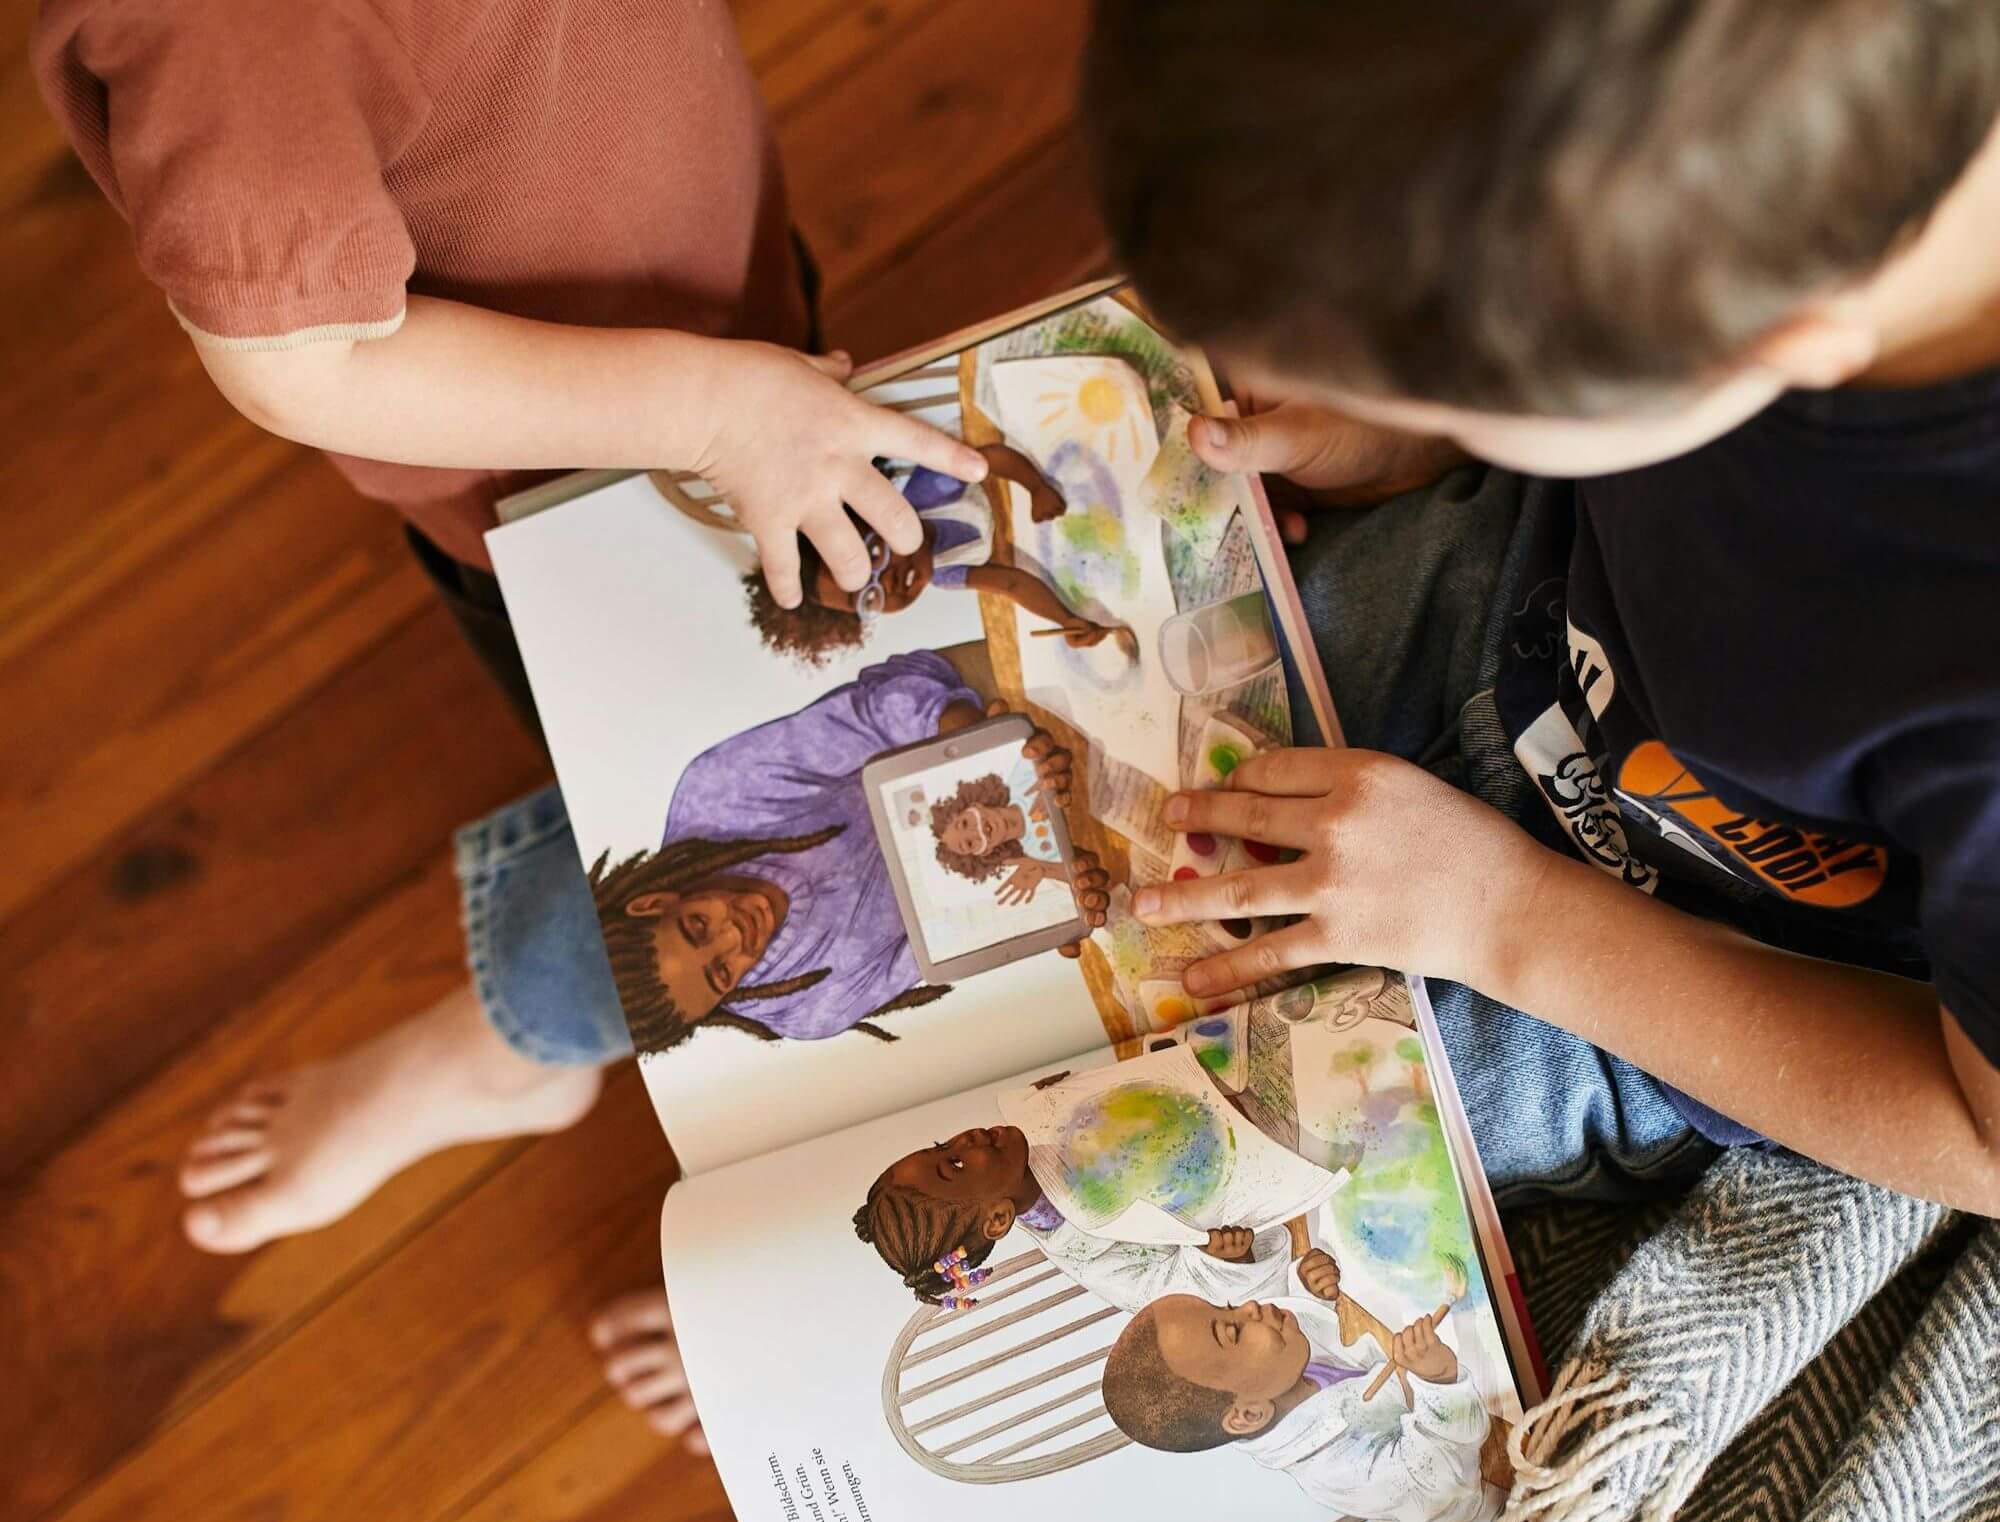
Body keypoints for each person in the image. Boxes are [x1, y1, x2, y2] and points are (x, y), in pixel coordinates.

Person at [33, 0, 991, 1432]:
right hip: (580, 479)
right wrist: (719, 419)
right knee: (668, 798)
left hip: (721, 323)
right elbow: (300, 357)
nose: (741, 938)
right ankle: (519, 1046)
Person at [1084, 0, 2000, 1220]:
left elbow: (1979, 1141)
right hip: (1526, 581)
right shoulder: (1749, 208)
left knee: (1236, 1155)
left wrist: (1502, 918)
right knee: (1115, 718)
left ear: (1763, 346)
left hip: (1697, 965)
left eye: (1458, 390)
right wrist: (1413, 409)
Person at [586, 654, 1113, 1054]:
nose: (736, 936)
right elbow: (961, 929)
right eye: (722, 973)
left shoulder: (718, 795)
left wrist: (990, 749)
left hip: (970, 708)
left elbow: (876, 715)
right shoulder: (806, 1007)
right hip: (1029, 840)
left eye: (698, 927)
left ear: (652, 902)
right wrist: (1048, 908)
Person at [1101, 1250, 1506, 1522]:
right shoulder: (1332, 1469)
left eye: (1230, 1306)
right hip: (1497, 1478)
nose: (1252, 1307)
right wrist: (1438, 1381)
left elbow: (1306, 1327)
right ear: (1248, 1415)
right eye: (1234, 1331)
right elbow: (1436, 1485)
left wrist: (1308, 1287)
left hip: (1457, 1390)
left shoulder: (1270, 1377)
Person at [854, 1122, 1302, 1312]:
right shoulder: (1089, 1255)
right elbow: (1175, 1299)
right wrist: (1223, 1261)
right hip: (1274, 1199)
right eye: (955, 1165)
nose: (965, 1140)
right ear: (996, 1220)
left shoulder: (1044, 1142)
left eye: (942, 1146)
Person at [741, 454, 1135, 665]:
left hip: (1042, 469)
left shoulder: (925, 494)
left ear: (869, 514)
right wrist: (1064, 619)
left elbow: (990, 459)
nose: (889, 584)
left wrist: (1034, 486)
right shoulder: (944, 574)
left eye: (871, 558)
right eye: (869, 598)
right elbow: (1011, 583)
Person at [931, 757, 1069, 907]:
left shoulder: (1021, 779)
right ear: (985, 852)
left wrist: (1053, 778)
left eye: (964, 823)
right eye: (969, 843)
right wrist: (1042, 869)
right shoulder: (1037, 855)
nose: (976, 831)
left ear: (975, 805)